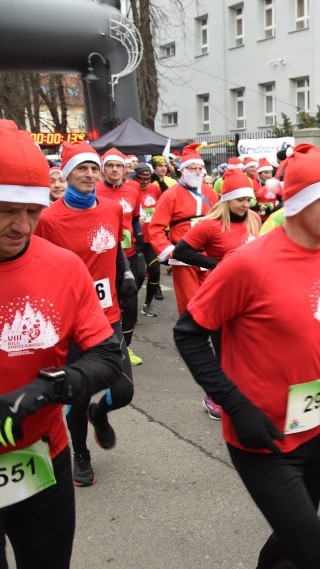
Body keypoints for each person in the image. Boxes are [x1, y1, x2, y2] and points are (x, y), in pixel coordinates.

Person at [173, 144, 320, 569]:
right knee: (316, 555)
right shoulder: (246, 264)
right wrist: (236, 406)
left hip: (312, 424)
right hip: (259, 436)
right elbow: (190, 333)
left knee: (290, 541)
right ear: (299, 202)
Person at [0, 119, 123, 569]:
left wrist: (50, 388)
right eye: (6, 210)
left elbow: (108, 356)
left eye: (32, 211)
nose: (21, 226)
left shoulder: (63, 267)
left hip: (42, 462)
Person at [32, 138, 136, 489]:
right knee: (76, 394)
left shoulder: (111, 209)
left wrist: (124, 272)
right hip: (71, 320)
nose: (90, 174)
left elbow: (114, 249)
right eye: (82, 168)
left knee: (122, 391)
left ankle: (99, 412)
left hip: (107, 314)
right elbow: (38, 266)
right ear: (67, 174)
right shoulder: (48, 219)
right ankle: (81, 453)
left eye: (94, 168)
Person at [173, 169, 261, 420]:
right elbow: (181, 251)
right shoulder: (210, 225)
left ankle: (241, 390)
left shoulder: (254, 218)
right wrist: (218, 264)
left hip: (250, 293)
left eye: (248, 199)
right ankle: (213, 394)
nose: (245, 204)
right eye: (239, 199)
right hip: (222, 293)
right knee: (222, 346)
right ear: (227, 200)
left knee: (245, 344)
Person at [148, 143, 220, 314]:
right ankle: (190, 337)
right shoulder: (170, 195)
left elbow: (220, 223)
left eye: (200, 168)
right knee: (190, 305)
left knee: (212, 302)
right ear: (183, 170)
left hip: (208, 257)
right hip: (184, 257)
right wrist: (169, 251)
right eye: (192, 168)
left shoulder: (210, 193)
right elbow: (156, 228)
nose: (197, 172)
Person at [96, 147, 145, 366]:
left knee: (131, 306)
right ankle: (105, 347)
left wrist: (139, 234)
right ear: (103, 169)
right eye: (110, 166)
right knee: (107, 305)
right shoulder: (95, 191)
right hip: (104, 257)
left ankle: (127, 346)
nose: (115, 170)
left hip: (130, 254)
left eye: (119, 166)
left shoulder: (133, 190)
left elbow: (135, 218)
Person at [130, 163, 164, 317]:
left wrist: (160, 180)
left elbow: (169, 197)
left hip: (150, 239)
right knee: (138, 275)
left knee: (155, 270)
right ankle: (127, 306)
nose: (144, 182)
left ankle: (147, 305)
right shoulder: (130, 190)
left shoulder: (155, 189)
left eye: (147, 178)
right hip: (134, 240)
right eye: (140, 178)